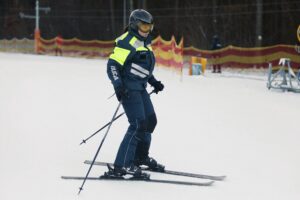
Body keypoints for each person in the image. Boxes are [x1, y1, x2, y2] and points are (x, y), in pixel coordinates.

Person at [106, 9, 165, 178]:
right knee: (137, 125)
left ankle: (140, 157)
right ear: (134, 24)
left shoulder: (145, 42)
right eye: (143, 26)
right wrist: (118, 86)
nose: (146, 30)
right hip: (129, 88)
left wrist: (153, 81)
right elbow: (112, 65)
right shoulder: (127, 42)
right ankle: (123, 165)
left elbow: (141, 66)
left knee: (150, 121)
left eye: (149, 27)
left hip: (140, 87)